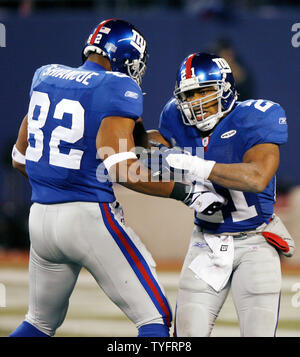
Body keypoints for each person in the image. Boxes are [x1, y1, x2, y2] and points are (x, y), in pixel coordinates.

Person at [9, 20, 225, 337]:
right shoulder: (117, 87)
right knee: (156, 320)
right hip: (88, 218)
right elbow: (121, 169)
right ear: (126, 58)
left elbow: (20, 158)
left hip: (40, 219)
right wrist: (186, 193)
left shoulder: (46, 76)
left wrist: (63, 178)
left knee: (39, 323)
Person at [146, 52, 295, 337]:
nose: (196, 103)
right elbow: (153, 142)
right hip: (205, 242)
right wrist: (150, 147)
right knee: (186, 337)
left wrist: (192, 164)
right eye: (189, 96)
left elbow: (256, 177)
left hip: (256, 244)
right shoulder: (175, 117)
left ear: (225, 89)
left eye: (203, 92)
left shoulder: (256, 116)